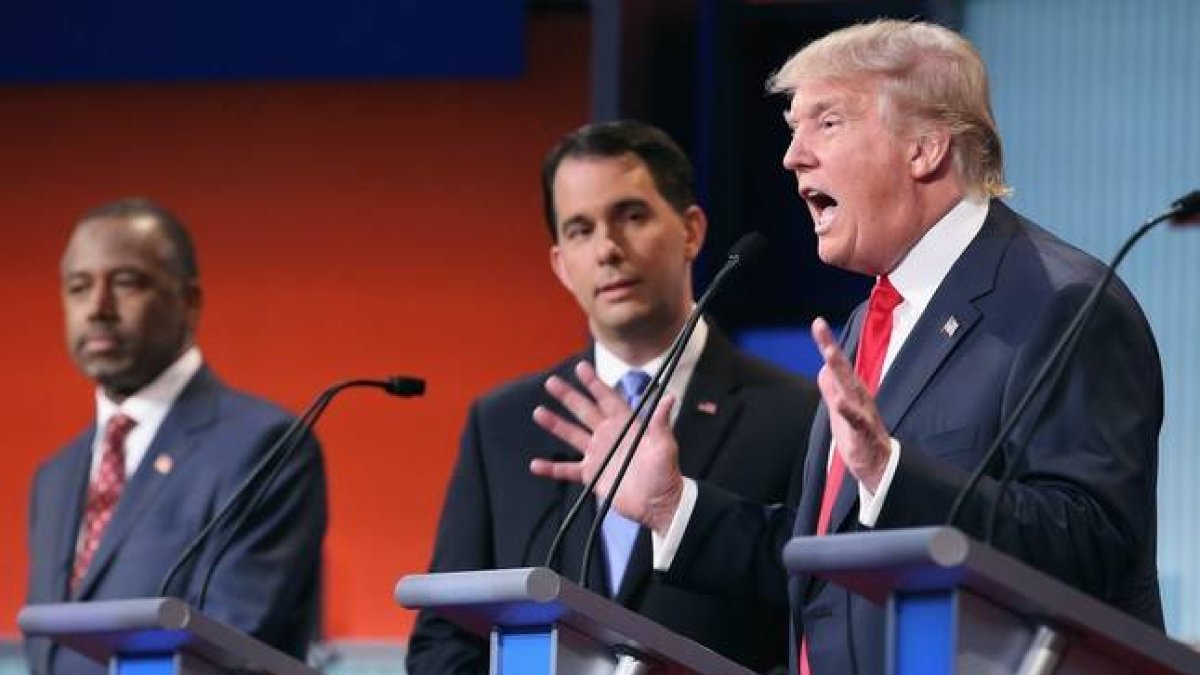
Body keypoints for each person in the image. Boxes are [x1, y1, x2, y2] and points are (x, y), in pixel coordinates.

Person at [530, 19, 1164, 675]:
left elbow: (1091, 544)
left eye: (826, 124)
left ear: (924, 148)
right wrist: (670, 503)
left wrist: (892, 473)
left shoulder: (1060, 300)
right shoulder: (873, 318)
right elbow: (824, 562)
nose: (792, 157)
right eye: (792, 131)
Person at [405, 120, 820, 674]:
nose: (608, 249)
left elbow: (818, 627)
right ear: (560, 265)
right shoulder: (502, 424)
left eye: (632, 216)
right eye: (580, 230)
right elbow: (444, 639)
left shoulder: (795, 414)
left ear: (692, 231)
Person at [26, 198, 328, 674]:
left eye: (126, 282)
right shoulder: (55, 477)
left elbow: (232, 646)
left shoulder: (266, 446)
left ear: (189, 301)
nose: (98, 308)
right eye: (78, 287)